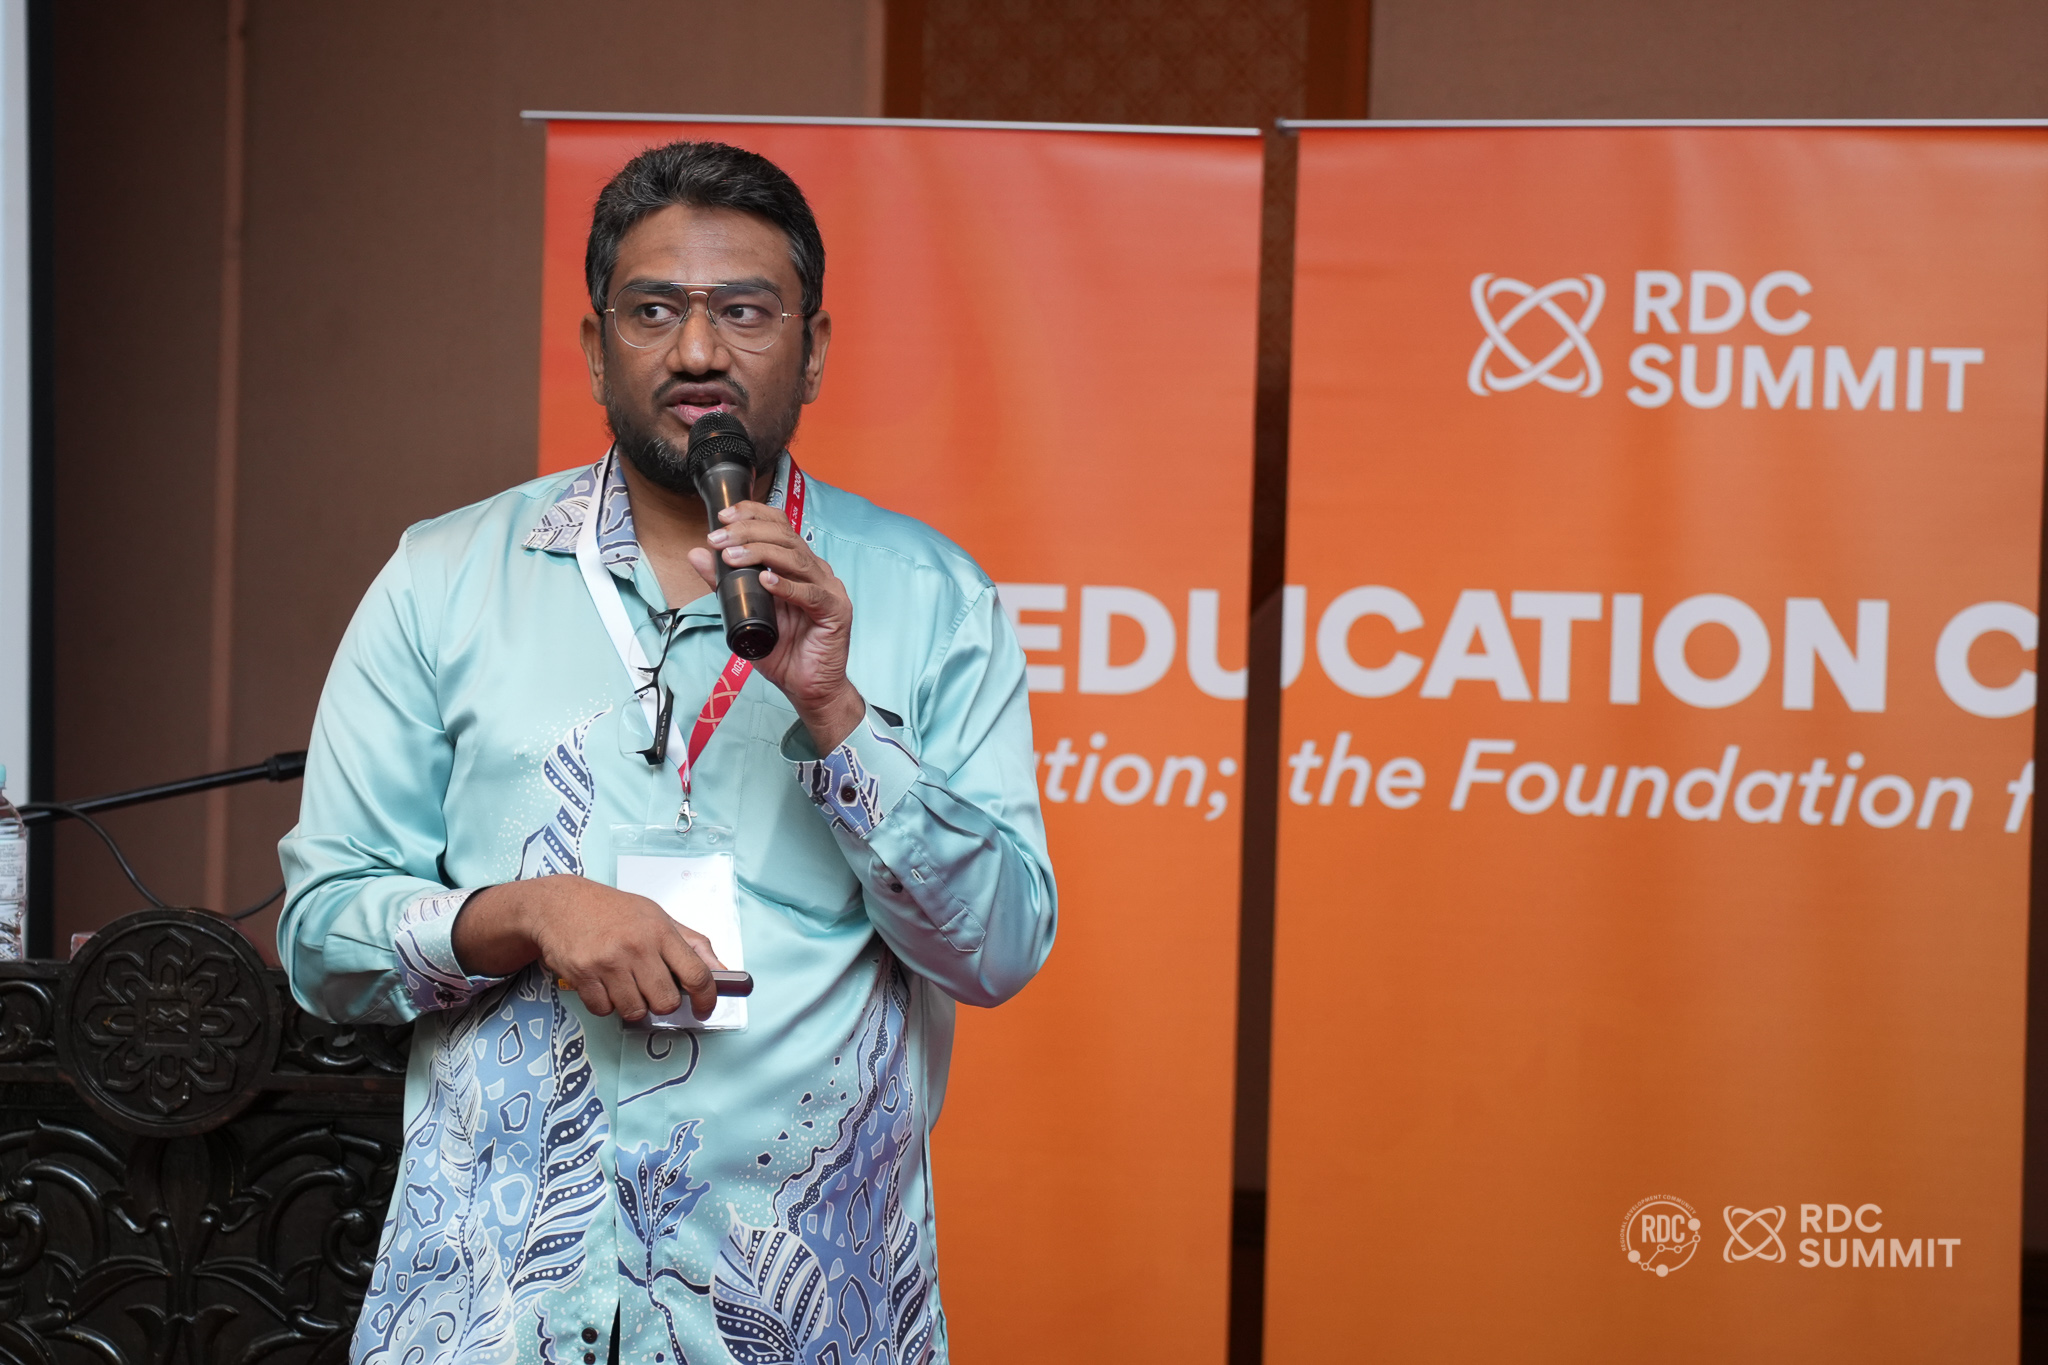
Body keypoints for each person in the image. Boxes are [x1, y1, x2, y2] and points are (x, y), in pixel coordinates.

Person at [278, 139, 1056, 1365]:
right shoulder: (442, 579)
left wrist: (837, 715)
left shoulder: (931, 597)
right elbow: (322, 937)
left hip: (799, 1318)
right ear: (597, 350)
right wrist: (524, 912)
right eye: (652, 311)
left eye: (743, 311)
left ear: (813, 347)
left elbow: (998, 948)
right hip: (492, 1314)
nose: (697, 350)